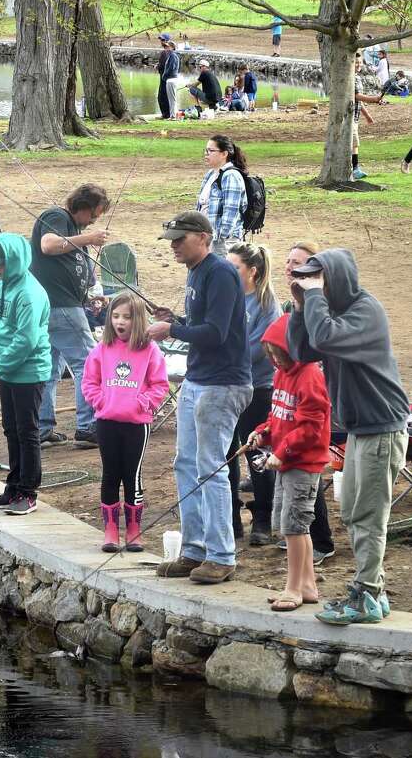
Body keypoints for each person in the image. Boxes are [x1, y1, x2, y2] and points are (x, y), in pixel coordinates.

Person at [287, 248, 410, 625]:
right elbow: (302, 350)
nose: (310, 283)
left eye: (316, 277)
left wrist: (313, 299)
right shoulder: (332, 310)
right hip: (361, 428)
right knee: (356, 512)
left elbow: (324, 338)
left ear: (335, 278)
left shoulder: (365, 310)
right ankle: (372, 590)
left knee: (368, 515)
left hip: (382, 427)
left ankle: (368, 595)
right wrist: (299, 306)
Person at [151, 210, 251, 585]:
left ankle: (222, 555)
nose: (174, 245)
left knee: (210, 467)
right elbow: (202, 325)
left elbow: (217, 333)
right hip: (197, 379)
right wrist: (175, 318)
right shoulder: (196, 272)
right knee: (185, 463)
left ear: (203, 237)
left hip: (222, 384)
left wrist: (172, 329)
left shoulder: (221, 272)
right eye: (171, 239)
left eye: (180, 239)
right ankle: (193, 550)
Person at [249, 314, 331, 612]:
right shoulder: (281, 373)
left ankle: (293, 588)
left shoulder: (310, 376)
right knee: (293, 526)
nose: (273, 358)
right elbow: (278, 415)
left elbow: (311, 426)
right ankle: (308, 585)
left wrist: (282, 452)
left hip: (303, 465)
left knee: (294, 527)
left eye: (277, 352)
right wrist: (263, 434)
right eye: (269, 352)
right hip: (286, 463)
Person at [0, 234, 52, 516]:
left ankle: (28, 492)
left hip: (29, 371)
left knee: (27, 432)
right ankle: (12, 487)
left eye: (1, 265)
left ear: (14, 262)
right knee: (10, 429)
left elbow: (25, 340)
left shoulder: (30, 294)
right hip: (7, 370)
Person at [82, 292, 170, 552]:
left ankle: (133, 529)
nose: (120, 322)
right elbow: (89, 382)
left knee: (132, 475)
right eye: (116, 316)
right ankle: (110, 529)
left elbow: (159, 385)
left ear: (139, 320)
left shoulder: (150, 350)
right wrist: (101, 401)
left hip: (136, 424)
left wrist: (141, 403)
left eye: (127, 317)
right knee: (110, 474)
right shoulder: (101, 349)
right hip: (107, 422)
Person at [29, 184, 111, 449]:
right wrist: (87, 239)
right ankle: (87, 427)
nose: (94, 222)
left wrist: (88, 298)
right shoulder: (57, 216)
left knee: (50, 367)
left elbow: (68, 270)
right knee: (88, 363)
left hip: (63, 305)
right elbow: (48, 245)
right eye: (94, 215)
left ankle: (42, 427)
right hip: (59, 307)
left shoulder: (72, 230)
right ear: (83, 206)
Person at [280, 241, 336, 564]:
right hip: (294, 396)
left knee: (306, 472)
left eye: (299, 264)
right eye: (289, 262)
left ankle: (322, 540)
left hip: (318, 400)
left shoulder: (322, 308)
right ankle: (298, 538)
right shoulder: (294, 306)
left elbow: (311, 354)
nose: (291, 268)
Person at [224, 242, 281, 545]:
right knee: (227, 453)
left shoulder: (267, 304)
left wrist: (222, 358)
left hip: (257, 388)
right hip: (225, 387)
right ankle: (232, 519)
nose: (229, 272)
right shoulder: (227, 297)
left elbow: (260, 349)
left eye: (235, 267)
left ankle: (263, 519)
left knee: (258, 454)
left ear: (253, 271)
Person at [195, 134, 247, 255]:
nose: (206, 154)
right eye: (206, 150)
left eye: (211, 150)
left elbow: (231, 211)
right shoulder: (211, 174)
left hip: (223, 242)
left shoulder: (231, 176)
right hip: (208, 238)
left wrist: (220, 237)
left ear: (224, 154)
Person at [351, 54, 383, 180]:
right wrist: (374, 99)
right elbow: (357, 96)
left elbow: (358, 100)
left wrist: (367, 115)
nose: (358, 65)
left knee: (353, 144)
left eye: (360, 62)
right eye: (356, 62)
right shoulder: (351, 78)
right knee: (354, 144)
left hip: (356, 116)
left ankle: (353, 168)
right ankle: (355, 169)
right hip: (350, 116)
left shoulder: (357, 77)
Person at [156, 33, 180, 119]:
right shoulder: (169, 54)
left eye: (163, 40)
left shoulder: (169, 54)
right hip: (167, 78)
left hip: (166, 78)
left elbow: (168, 67)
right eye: (161, 40)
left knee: (163, 97)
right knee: (166, 96)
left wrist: (164, 75)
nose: (161, 42)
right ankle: (168, 114)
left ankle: (167, 115)